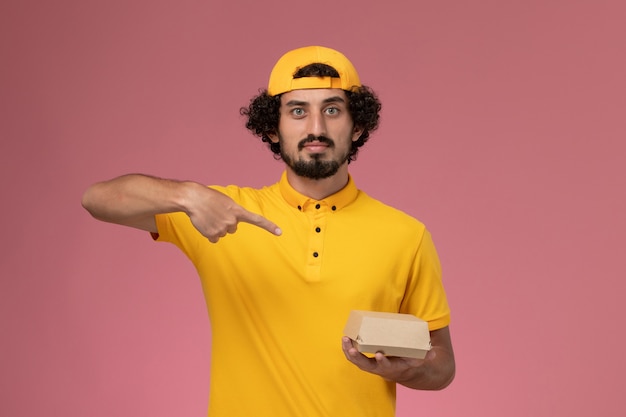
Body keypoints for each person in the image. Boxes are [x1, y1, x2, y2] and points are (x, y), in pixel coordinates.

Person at [82, 45, 455, 417]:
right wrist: (187, 196)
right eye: (297, 111)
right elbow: (97, 199)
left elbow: (442, 365)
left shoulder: (406, 234)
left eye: (332, 110)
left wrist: (410, 369)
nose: (316, 128)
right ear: (272, 130)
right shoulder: (224, 212)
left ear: (357, 126)